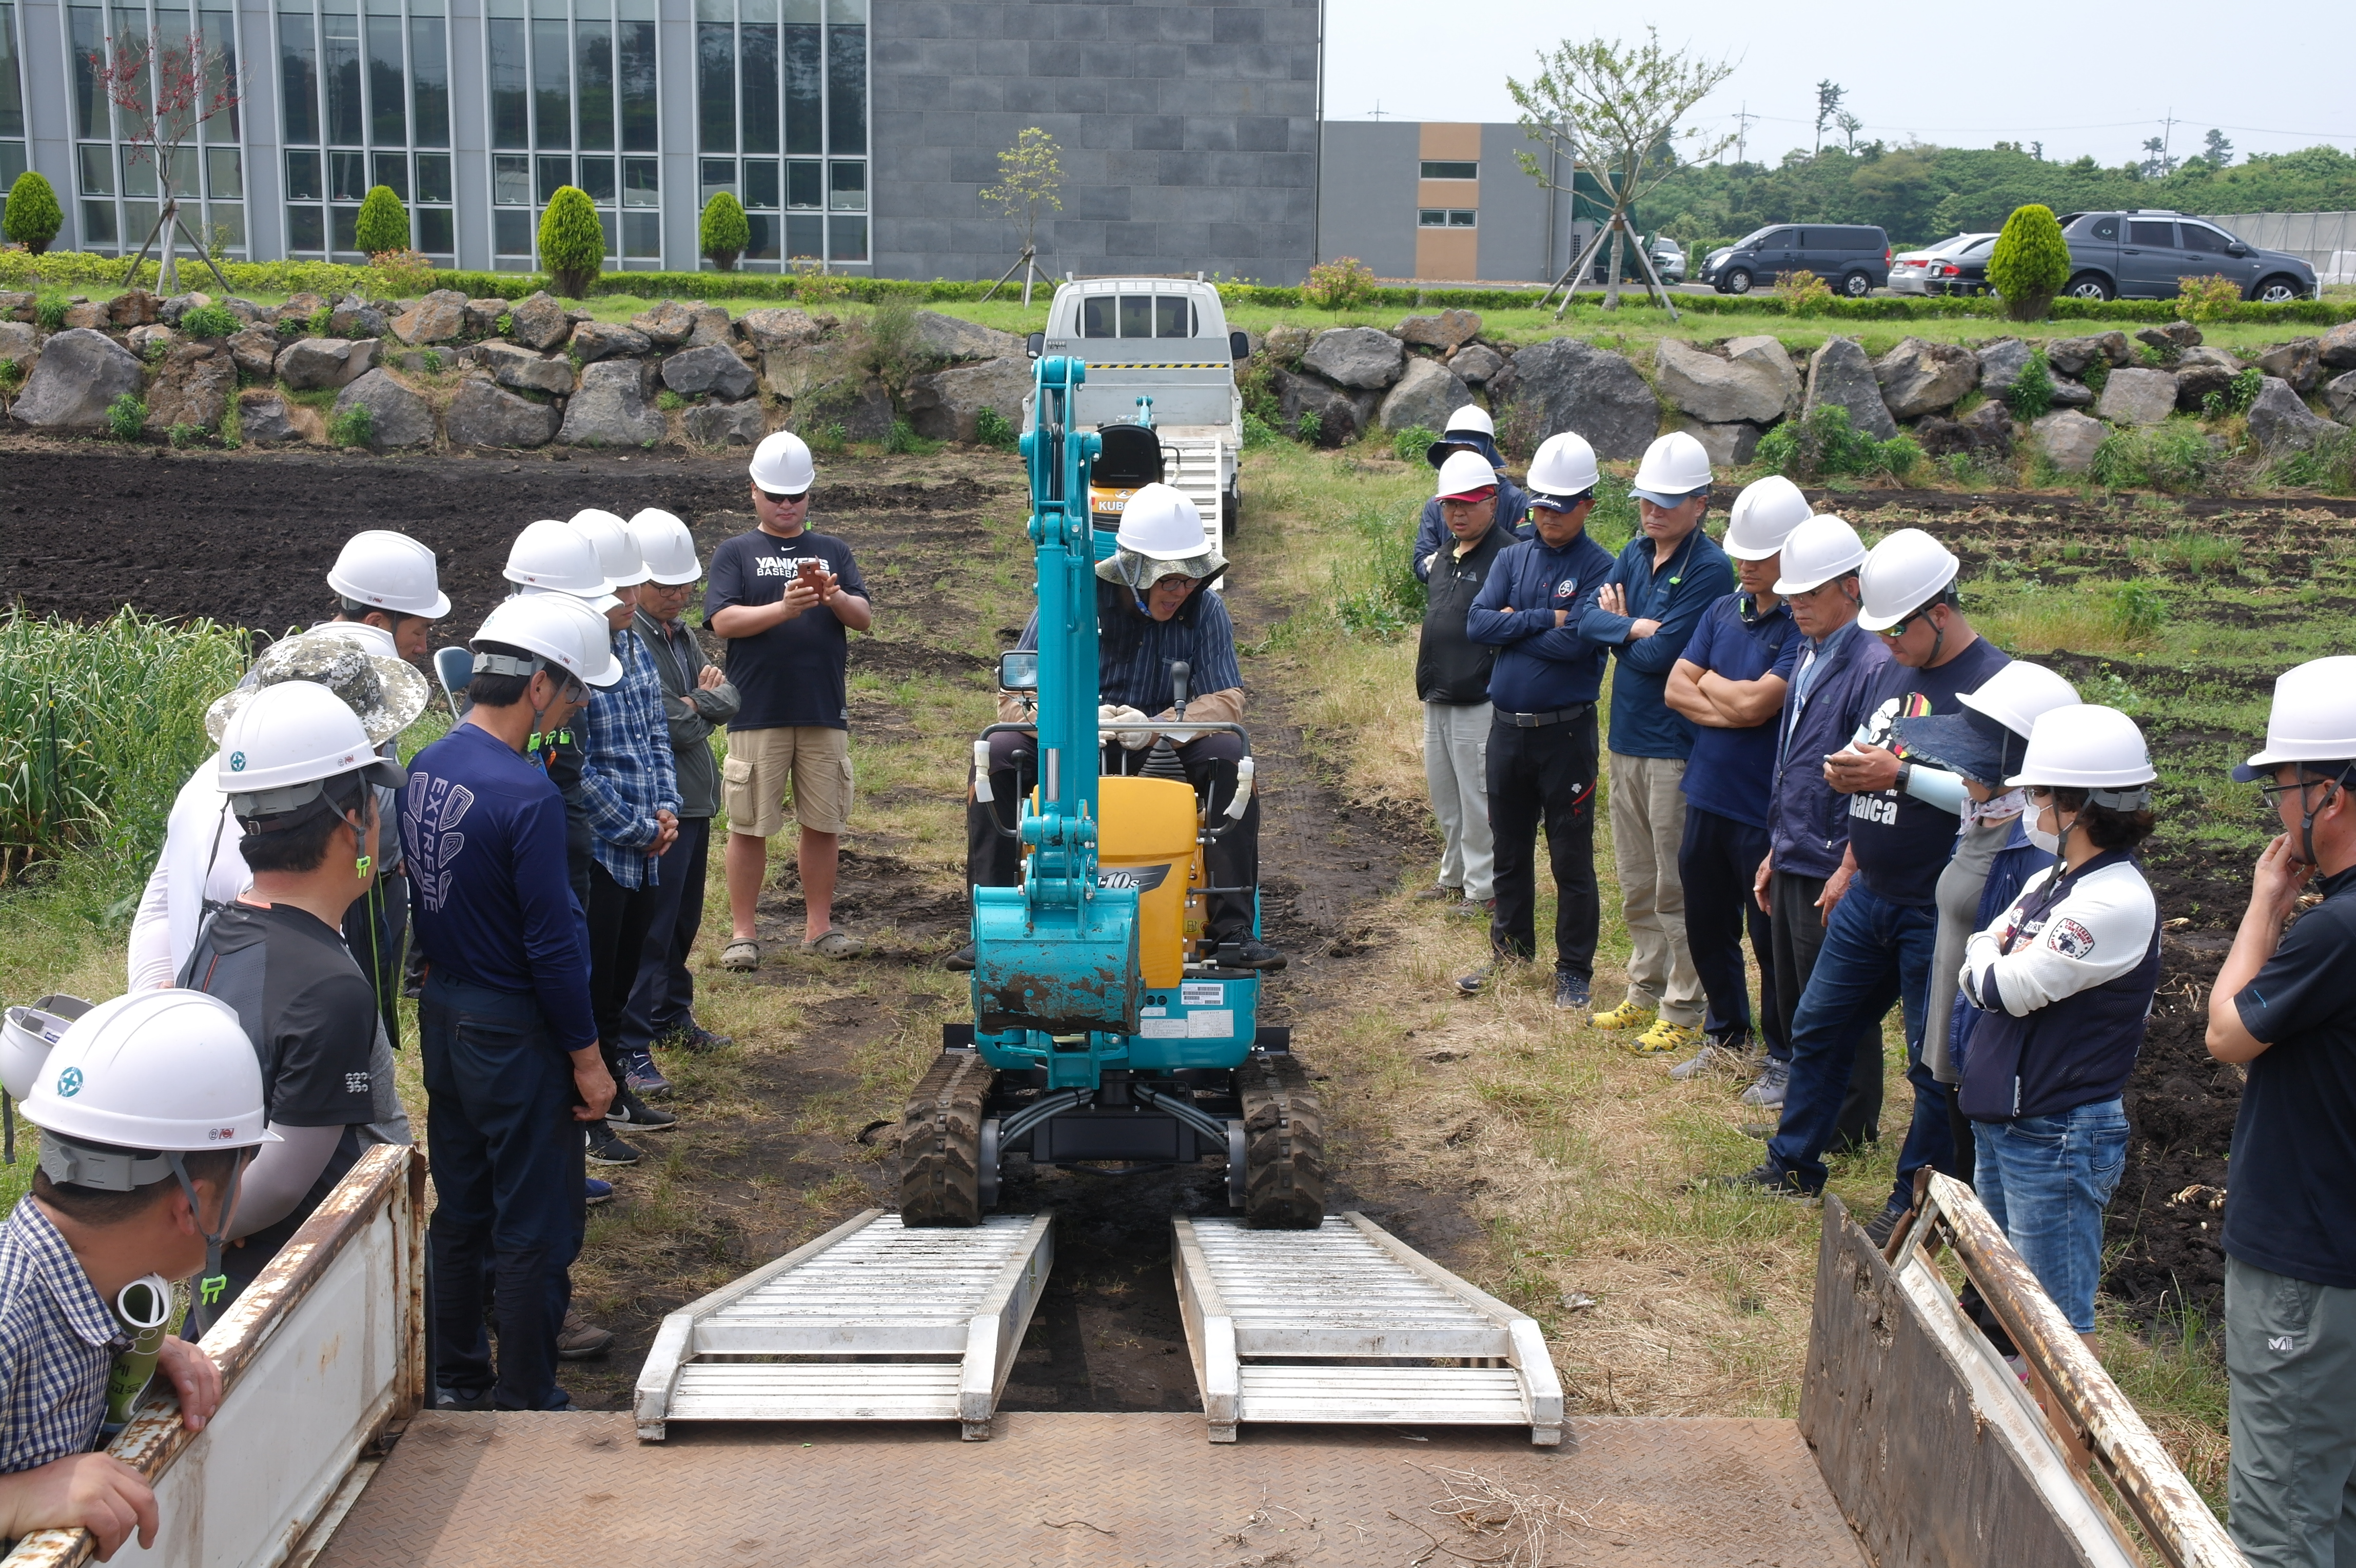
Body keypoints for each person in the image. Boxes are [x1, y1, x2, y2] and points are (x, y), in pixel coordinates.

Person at [1726, 528, 2010, 1241]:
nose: (1886, 645)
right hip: (1872, 889)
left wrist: (1900, 776)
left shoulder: (1992, 686)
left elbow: (1996, 800)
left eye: (1897, 632)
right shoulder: (1893, 670)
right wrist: (1850, 858)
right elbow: (1872, 761)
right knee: (1819, 1027)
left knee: (1930, 1062)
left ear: (1938, 614)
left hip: (1936, 904)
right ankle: (1792, 1164)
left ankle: (1915, 1200)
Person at [401, 595, 619, 1412]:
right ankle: (527, 1394)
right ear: (536, 686)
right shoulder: (527, 798)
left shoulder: (429, 765)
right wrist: (589, 1060)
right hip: (514, 1029)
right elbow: (554, 948)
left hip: (446, 1014)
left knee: (460, 1210)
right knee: (535, 1222)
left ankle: (455, 1379)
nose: (577, 708)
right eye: (573, 694)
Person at [957, 484, 1285, 972]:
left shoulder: (1205, 610)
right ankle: (992, 924)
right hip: (1077, 727)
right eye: (1169, 580)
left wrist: (1156, 727)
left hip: (1164, 731)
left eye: (1189, 579)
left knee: (1231, 759)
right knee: (1000, 753)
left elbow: (1226, 700)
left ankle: (1232, 929)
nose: (1181, 591)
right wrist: (1070, 721)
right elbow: (1015, 700)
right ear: (1132, 570)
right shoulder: (1070, 601)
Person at [127, 631, 428, 1145]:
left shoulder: (216, 781)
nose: (379, 751)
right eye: (372, 742)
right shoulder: (289, 866)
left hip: (216, 1028)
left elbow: (158, 902)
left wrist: (159, 998)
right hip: (273, 1044)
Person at [0, 988, 262, 1558]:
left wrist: (138, 1350)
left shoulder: (85, 1284)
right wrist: (14, 1499)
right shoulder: (7, 1320)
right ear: (195, 1204)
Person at [178, 681, 406, 1303]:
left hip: (234, 1285)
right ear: (354, 822)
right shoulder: (328, 987)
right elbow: (280, 1184)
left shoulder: (220, 931)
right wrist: (203, 1232)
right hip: (312, 1299)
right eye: (376, 805)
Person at [2204, 656, 2356, 1567]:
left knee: (2283, 1520)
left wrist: (2265, 907)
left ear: (2329, 796)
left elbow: (2227, 1033)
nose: (2275, 808)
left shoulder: (2335, 929)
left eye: (2281, 786)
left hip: (2305, 1260)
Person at [1956, 704, 2158, 1350]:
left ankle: (2067, 1446)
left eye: (2039, 792)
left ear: (2080, 804)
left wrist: (1989, 961)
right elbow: (1986, 941)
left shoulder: (2111, 899)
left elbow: (2000, 984)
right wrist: (1990, 957)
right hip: (2012, 1116)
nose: (2028, 803)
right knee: (2000, 1293)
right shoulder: (2057, 879)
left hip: (2057, 1130)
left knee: (2056, 1324)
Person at [1892, 660, 2079, 1181]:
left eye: (1970, 759)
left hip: (1985, 1052)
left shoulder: (2033, 845)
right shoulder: (1979, 817)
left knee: (1983, 1177)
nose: (1960, 770)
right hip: (1954, 1037)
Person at [1580, 431, 1734, 1056]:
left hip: (1674, 747)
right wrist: (1628, 628)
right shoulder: (1633, 551)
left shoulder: (1710, 567)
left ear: (1701, 502)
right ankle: (1643, 987)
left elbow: (1664, 655)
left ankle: (1683, 1002)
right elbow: (1590, 623)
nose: (1653, 511)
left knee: (1675, 883)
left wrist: (1623, 630)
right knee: (1636, 877)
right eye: (1646, 499)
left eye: (1668, 501)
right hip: (1626, 740)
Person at [1658, 475, 1808, 1080]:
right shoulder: (1724, 609)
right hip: (1707, 794)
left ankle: (1780, 1054)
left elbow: (1755, 708)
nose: (1742, 563)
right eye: (1738, 551)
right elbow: (1674, 686)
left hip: (1760, 808)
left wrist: (1713, 685)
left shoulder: (1801, 624)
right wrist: (1734, 694)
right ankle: (1725, 1031)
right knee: (1705, 921)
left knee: (1767, 938)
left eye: (1758, 554)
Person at [708, 432, 876, 969]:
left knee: (823, 821)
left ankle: (818, 926)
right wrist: (782, 610)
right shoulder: (735, 552)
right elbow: (723, 620)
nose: (786, 506)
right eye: (776, 496)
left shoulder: (833, 552)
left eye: (795, 496)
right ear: (753, 492)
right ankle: (743, 932)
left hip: (822, 707)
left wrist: (833, 595)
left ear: (809, 495)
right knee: (748, 823)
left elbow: (863, 618)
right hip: (756, 708)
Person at [1744, 515, 1889, 1132]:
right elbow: (1794, 763)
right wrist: (1778, 845)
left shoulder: (1870, 663)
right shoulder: (1807, 649)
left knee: (1836, 1003)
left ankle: (1847, 1124)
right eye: (1792, 592)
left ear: (1851, 587)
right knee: (1800, 1000)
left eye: (1810, 593)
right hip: (1797, 846)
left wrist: (1848, 864)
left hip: (1830, 855)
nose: (1795, 603)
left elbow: (1869, 775)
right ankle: (1811, 1115)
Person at [1460, 432, 1616, 1006]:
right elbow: (1477, 624)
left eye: (1560, 504)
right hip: (1506, 728)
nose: (1547, 515)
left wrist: (1519, 625)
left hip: (1566, 732)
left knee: (1570, 856)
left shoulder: (1602, 567)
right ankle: (1510, 951)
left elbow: (1577, 642)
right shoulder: (1511, 555)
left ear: (1586, 505)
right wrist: (1543, 618)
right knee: (1509, 847)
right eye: (1540, 504)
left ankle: (1573, 969)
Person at [564, 511, 682, 1160]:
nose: (632, 600)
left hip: (645, 841)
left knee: (621, 975)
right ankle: (588, 1117)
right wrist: (639, 827)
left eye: (634, 588)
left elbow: (653, 733)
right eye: (620, 590)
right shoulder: (575, 655)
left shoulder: (633, 642)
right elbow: (574, 769)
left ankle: (617, 1092)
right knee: (591, 980)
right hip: (607, 849)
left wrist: (666, 808)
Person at [618, 509, 740, 1070]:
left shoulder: (680, 632)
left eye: (683, 582)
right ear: (636, 582)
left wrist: (696, 701)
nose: (678, 593)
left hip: (692, 797)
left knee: (682, 920)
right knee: (651, 927)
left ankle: (670, 1015)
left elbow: (728, 696)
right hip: (662, 802)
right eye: (664, 585)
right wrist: (697, 703)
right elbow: (663, 722)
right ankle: (632, 1041)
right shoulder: (631, 639)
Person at [1412, 450, 1519, 916]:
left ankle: (1484, 889)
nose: (1457, 513)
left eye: (1468, 503)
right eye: (1449, 504)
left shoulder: (1511, 556)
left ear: (1491, 502)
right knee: (1446, 795)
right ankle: (1453, 875)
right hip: (1438, 693)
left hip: (1479, 697)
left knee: (1479, 800)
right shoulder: (1443, 558)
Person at [1411, 406, 1529, 582]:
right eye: (1454, 452)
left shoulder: (1516, 501)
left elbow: (1526, 561)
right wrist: (1442, 567)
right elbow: (1421, 564)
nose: (1462, 459)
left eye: (1470, 451)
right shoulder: (1435, 505)